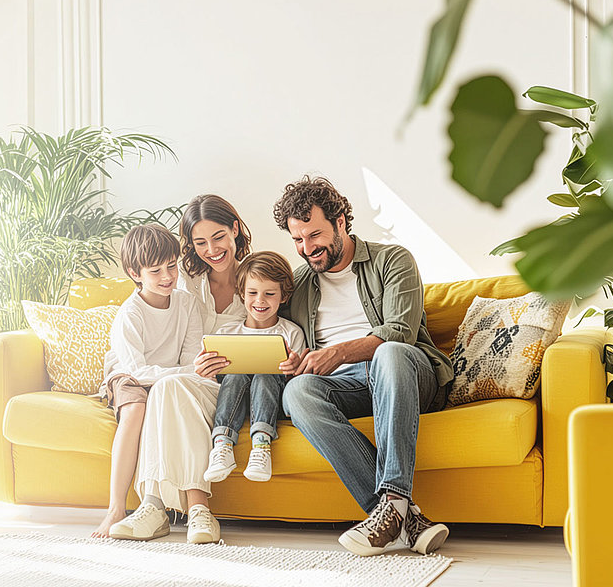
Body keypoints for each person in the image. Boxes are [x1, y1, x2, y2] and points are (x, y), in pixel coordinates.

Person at [273, 176, 454, 557]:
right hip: (348, 387)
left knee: (388, 351)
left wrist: (335, 353)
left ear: (341, 221)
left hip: (408, 374)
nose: (308, 248)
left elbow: (400, 332)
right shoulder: (300, 282)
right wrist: (293, 357)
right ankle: (399, 515)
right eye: (298, 240)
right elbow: (274, 325)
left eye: (315, 235)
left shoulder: (393, 260)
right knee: (298, 392)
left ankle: (391, 504)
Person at [91, 223, 220, 544]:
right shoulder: (130, 314)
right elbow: (135, 368)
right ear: (136, 273)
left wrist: (182, 374)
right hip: (130, 374)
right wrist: (179, 374)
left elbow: (192, 358)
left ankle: (175, 509)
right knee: (136, 410)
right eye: (155, 271)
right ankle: (116, 507)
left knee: (168, 396)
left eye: (172, 267)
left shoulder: (187, 304)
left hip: (170, 377)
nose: (167, 277)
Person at [203, 252, 306, 484]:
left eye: (269, 294)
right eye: (252, 293)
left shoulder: (291, 333)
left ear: (283, 296)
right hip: (233, 399)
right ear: (241, 293)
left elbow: (296, 380)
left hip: (271, 402)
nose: (260, 301)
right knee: (235, 376)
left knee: (264, 373)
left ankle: (261, 445)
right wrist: (209, 369)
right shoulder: (226, 333)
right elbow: (213, 380)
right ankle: (222, 445)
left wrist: (293, 367)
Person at [177, 194, 252, 333]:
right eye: (200, 243)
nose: (212, 250)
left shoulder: (255, 283)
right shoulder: (183, 277)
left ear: (234, 229)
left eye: (218, 237)